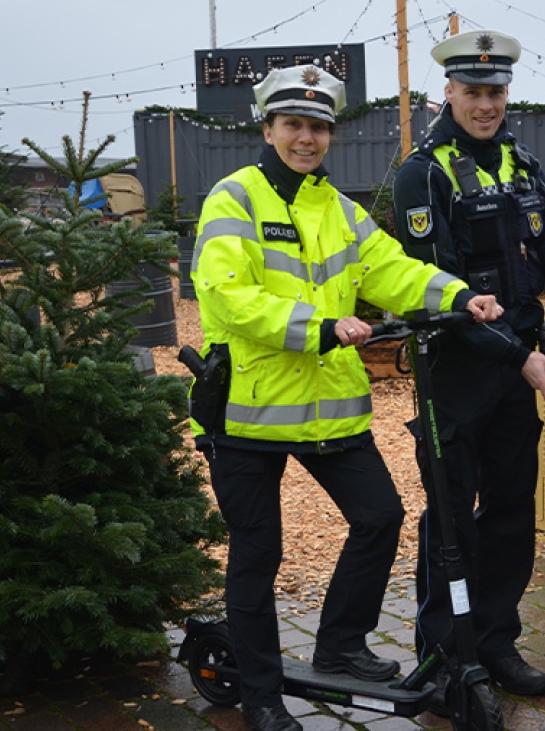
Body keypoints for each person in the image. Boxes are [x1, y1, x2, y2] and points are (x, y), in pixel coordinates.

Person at [190, 66, 502, 731]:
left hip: (329, 407)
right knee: (258, 555)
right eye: (294, 125)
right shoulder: (233, 200)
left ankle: (339, 641)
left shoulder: (337, 208)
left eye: (318, 128)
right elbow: (228, 297)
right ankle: (262, 693)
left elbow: (392, 268)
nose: (307, 138)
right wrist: (320, 326)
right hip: (245, 413)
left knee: (380, 515)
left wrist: (456, 295)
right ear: (269, 128)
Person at [392, 29, 545, 699]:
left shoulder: (522, 162)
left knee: (510, 511)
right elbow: (439, 291)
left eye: (495, 92)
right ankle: (443, 656)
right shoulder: (424, 171)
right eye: (473, 92)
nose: (485, 104)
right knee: (451, 518)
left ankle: (496, 641)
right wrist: (520, 356)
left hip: (519, 359)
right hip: (459, 371)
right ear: (450, 92)